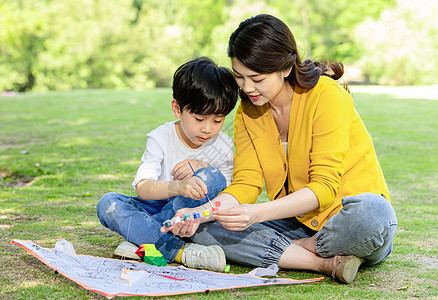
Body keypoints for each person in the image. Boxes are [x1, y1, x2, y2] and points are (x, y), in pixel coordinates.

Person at [162, 14, 398, 283]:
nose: (247, 88)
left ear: (285, 68)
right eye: (239, 76)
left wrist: (257, 214)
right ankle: (324, 264)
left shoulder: (326, 95)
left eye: (257, 78)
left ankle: (298, 250)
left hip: (349, 220)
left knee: (373, 214)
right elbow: (246, 184)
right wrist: (201, 215)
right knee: (205, 230)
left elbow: (324, 187)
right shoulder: (247, 114)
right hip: (296, 222)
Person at [96, 57, 238, 272]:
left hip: (196, 216)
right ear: (177, 109)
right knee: (109, 203)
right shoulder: (160, 137)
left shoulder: (224, 145)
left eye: (218, 120)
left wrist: (202, 168)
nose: (208, 129)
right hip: (156, 207)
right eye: (199, 119)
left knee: (212, 175)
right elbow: (143, 187)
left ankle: (141, 240)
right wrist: (178, 187)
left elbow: (227, 197)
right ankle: (181, 252)